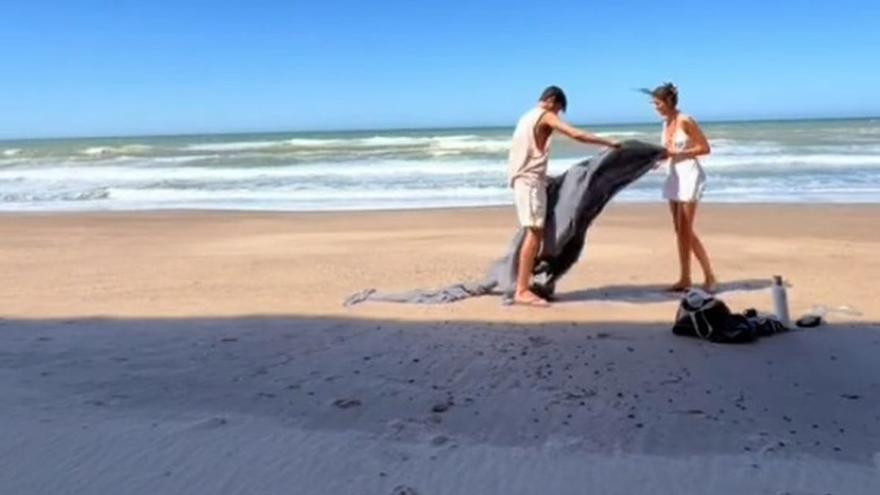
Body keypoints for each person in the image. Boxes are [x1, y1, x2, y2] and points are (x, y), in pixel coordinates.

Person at [507, 86, 618, 307]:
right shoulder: (544, 115)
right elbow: (575, 134)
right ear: (551, 101)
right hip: (529, 182)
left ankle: (527, 282)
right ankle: (521, 290)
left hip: (527, 179)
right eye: (558, 109)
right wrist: (609, 143)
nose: (556, 115)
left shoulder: (526, 117)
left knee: (535, 232)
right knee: (534, 233)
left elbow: (526, 153)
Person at [646, 83, 717, 292]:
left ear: (668, 102)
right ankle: (686, 278)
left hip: (688, 175)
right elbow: (667, 151)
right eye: (653, 103)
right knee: (681, 230)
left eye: (657, 103)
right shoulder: (665, 123)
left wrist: (676, 154)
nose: (655, 107)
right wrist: (656, 162)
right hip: (673, 175)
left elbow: (705, 148)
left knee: (685, 229)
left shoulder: (685, 120)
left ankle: (708, 276)